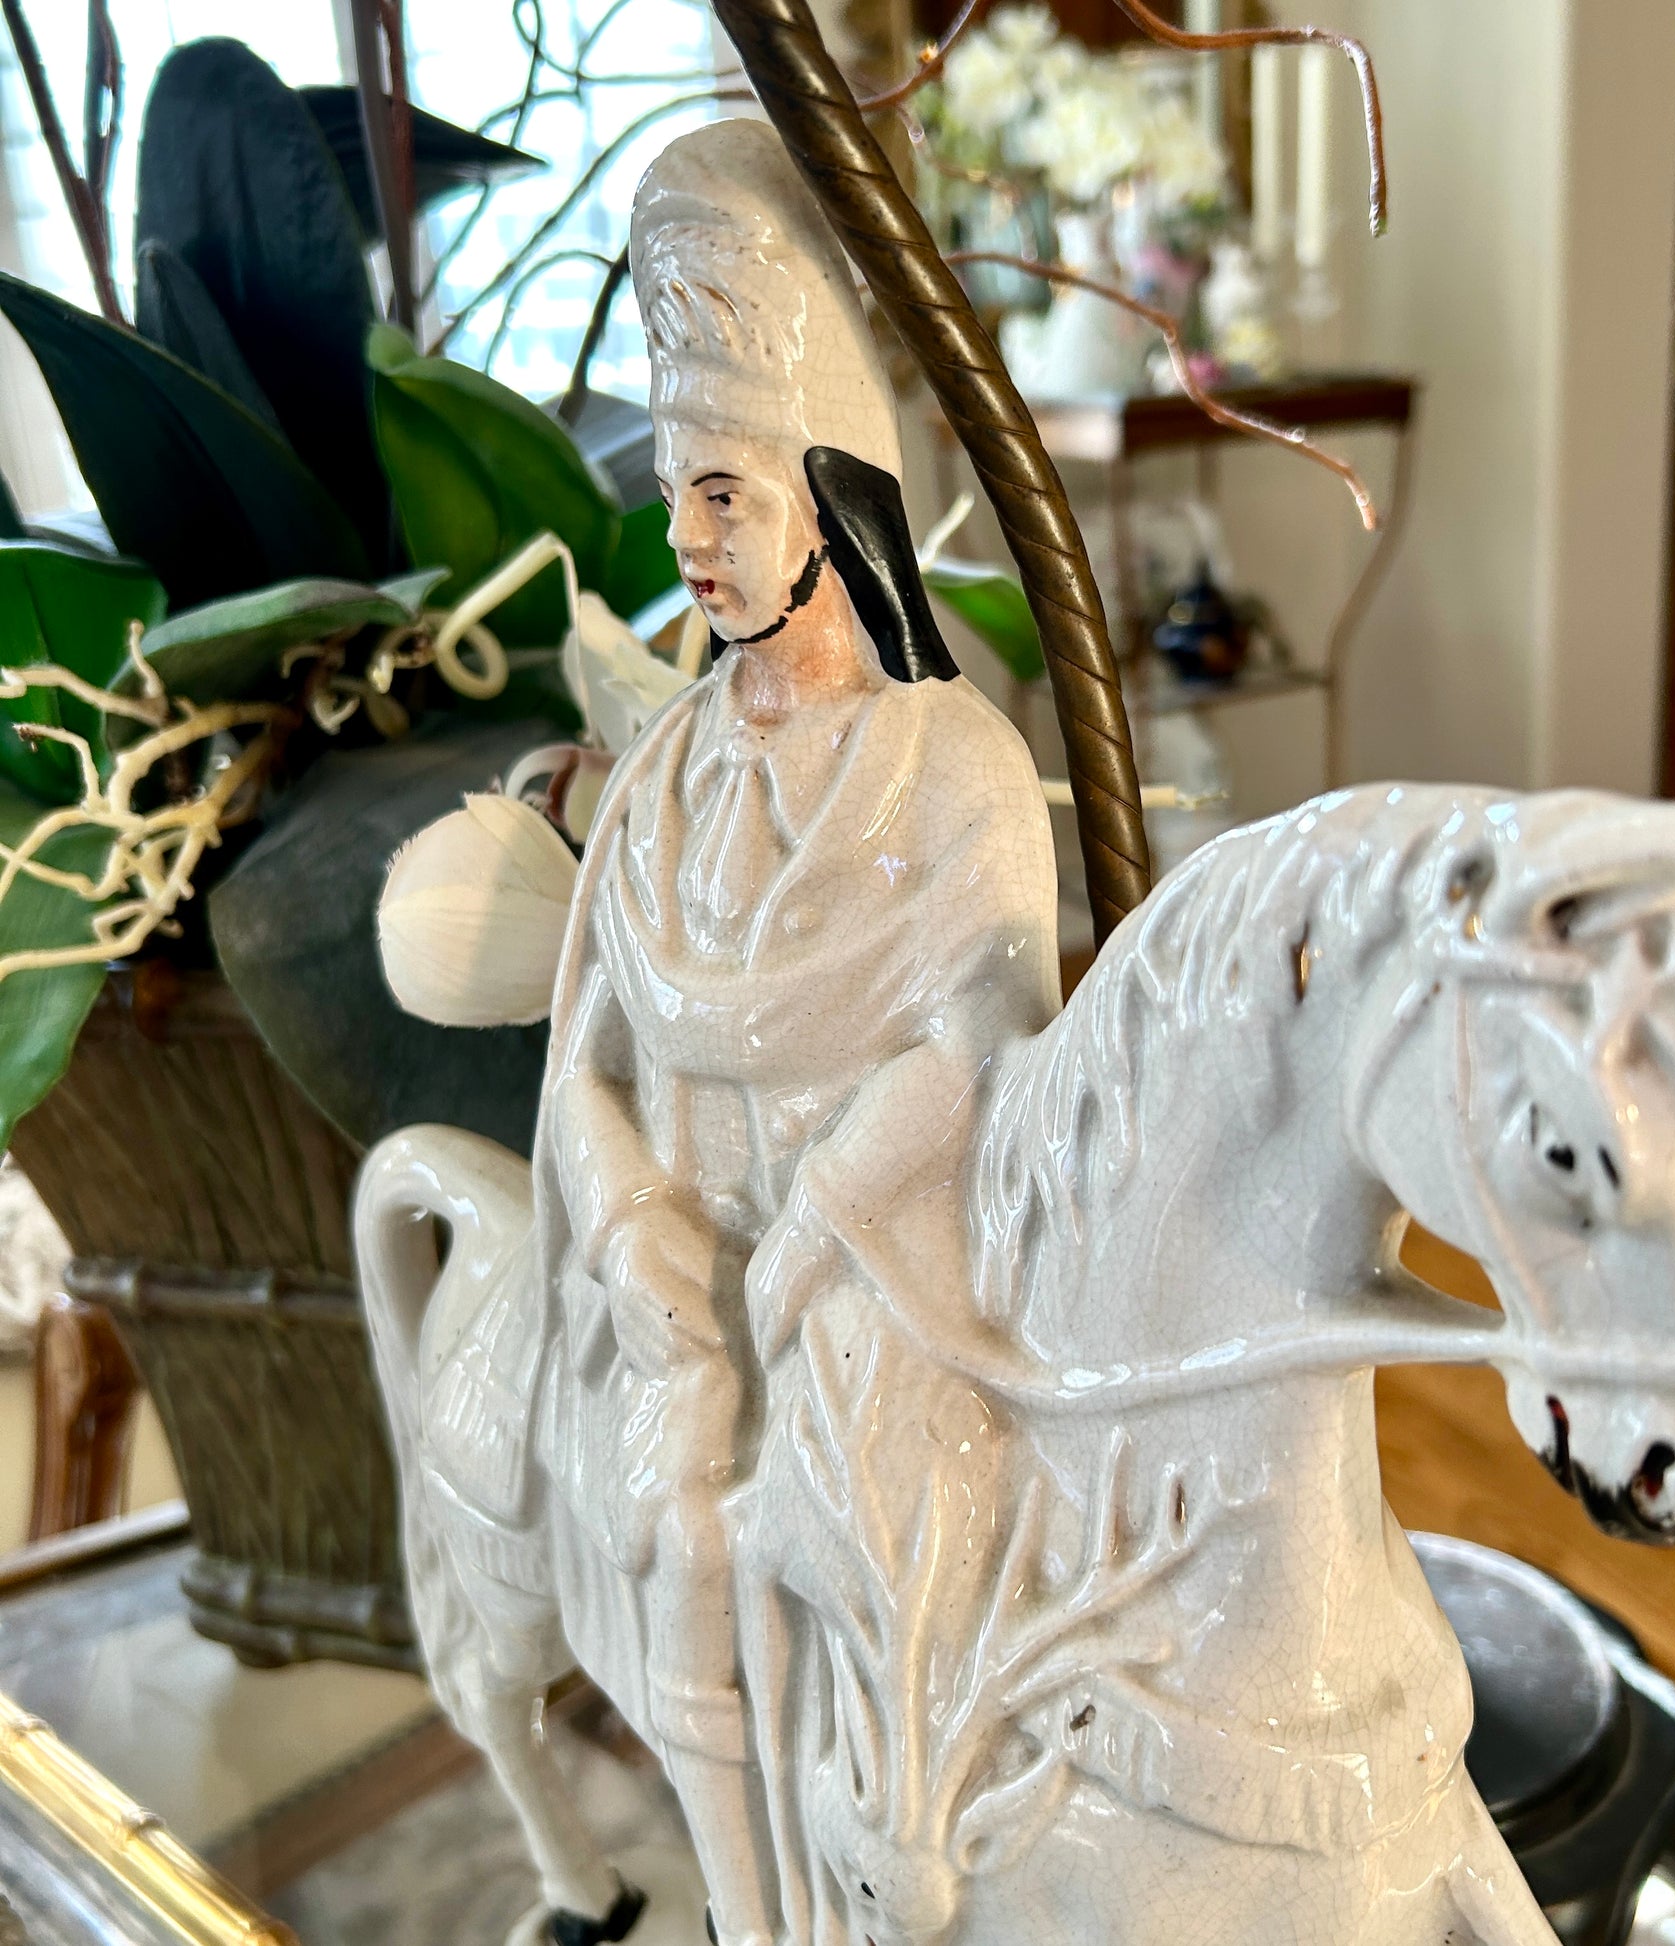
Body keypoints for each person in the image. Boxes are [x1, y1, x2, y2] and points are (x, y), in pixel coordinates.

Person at [526, 119, 1060, 1944]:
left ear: (831, 501)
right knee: (682, 1524)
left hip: (887, 1280)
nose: (686, 537)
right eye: (673, 493)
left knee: (908, 1556)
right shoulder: (662, 773)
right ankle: (746, 1911)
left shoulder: (956, 766)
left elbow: (982, 1044)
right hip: (689, 1299)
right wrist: (631, 1229)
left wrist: (815, 1227)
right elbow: (586, 1053)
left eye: (725, 494)